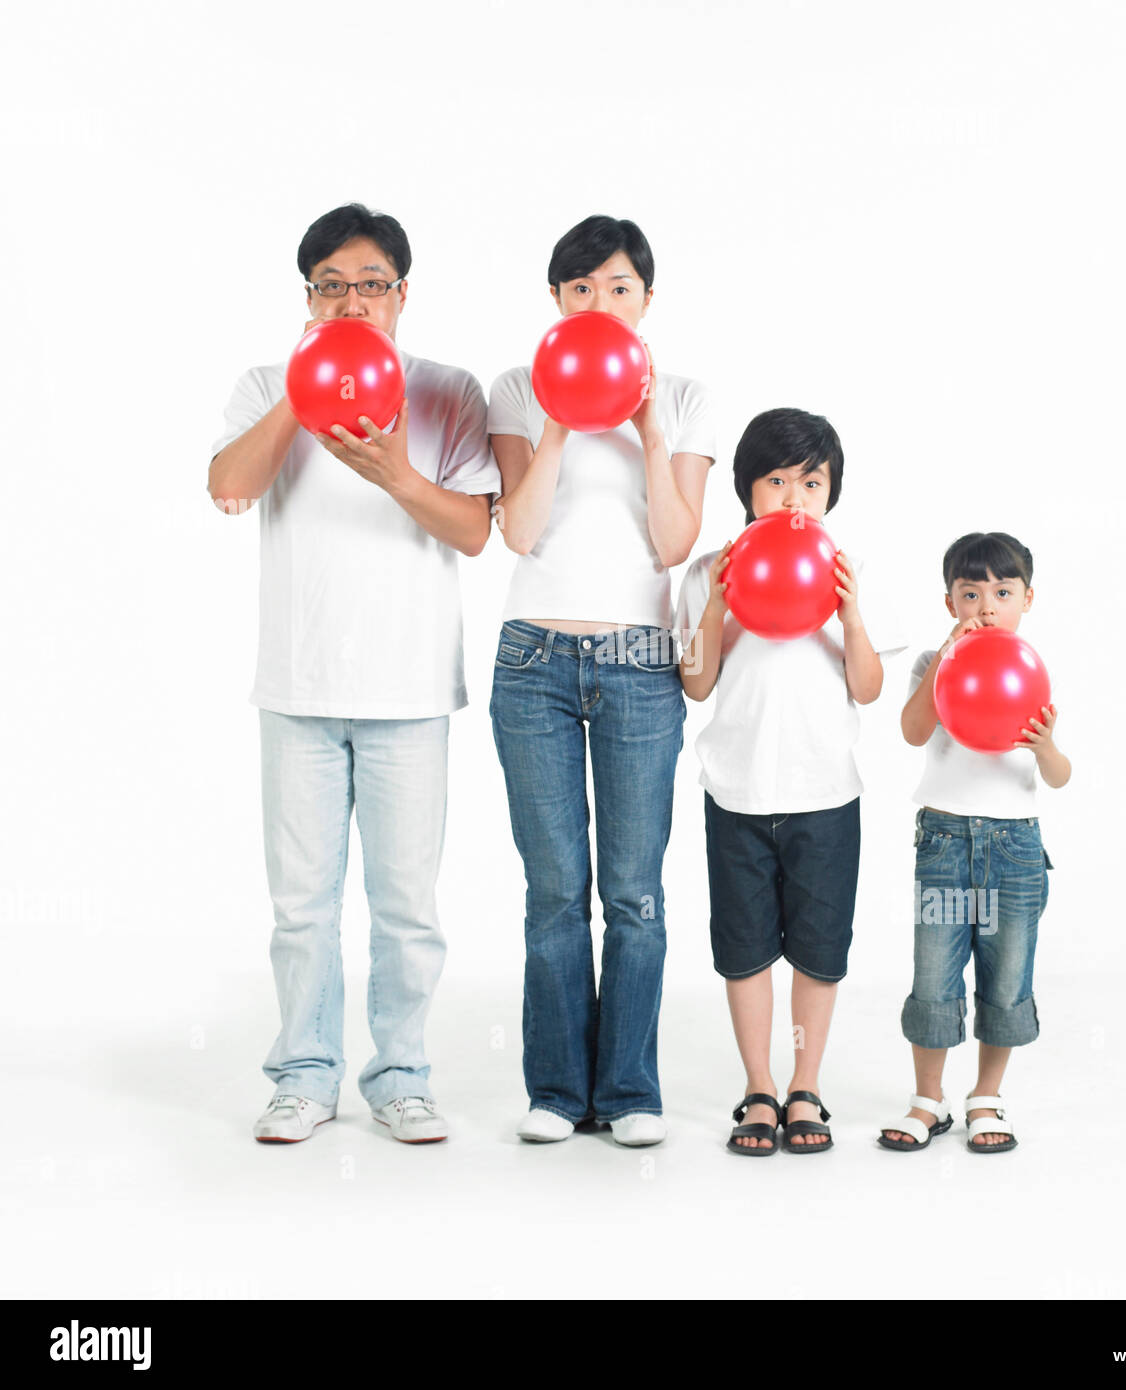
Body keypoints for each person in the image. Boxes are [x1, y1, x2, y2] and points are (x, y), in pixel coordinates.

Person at [207, 203, 500, 1144]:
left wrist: (398, 475)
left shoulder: (446, 391)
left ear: (402, 293)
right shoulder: (265, 382)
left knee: (408, 911)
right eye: (330, 285)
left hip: (410, 693)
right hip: (296, 690)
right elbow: (227, 488)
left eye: (370, 283)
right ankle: (303, 1074)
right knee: (301, 910)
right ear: (308, 297)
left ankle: (401, 1074)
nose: (351, 300)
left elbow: (475, 531)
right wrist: (302, 390)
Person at [487, 214, 715, 1146]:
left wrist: (649, 431)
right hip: (534, 660)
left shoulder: (689, 397)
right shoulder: (515, 388)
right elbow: (520, 531)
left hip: (637, 666)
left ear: (646, 301)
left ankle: (627, 1091)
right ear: (556, 300)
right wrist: (554, 428)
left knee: (632, 891)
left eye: (618, 288)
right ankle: (554, 1091)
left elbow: (672, 543)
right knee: (553, 890)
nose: (599, 303)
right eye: (581, 288)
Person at [674, 408, 907, 1155]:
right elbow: (698, 684)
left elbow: (868, 689)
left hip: (825, 793)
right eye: (777, 482)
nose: (794, 498)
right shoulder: (710, 569)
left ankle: (805, 1084)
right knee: (743, 951)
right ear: (747, 489)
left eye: (811, 481)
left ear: (831, 489)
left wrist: (849, 614)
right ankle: (758, 1088)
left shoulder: (849, 569)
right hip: (736, 791)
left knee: (816, 949)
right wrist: (719, 600)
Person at [879, 531, 1069, 1154]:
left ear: (1027, 599)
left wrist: (1044, 747)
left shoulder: (1029, 671)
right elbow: (911, 733)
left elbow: (1060, 774)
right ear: (949, 602)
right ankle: (927, 1100)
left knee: (1006, 972)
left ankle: (986, 1096)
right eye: (970, 593)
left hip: (1014, 847)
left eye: (1002, 592)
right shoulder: (934, 663)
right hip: (945, 840)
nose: (986, 606)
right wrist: (941, 664)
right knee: (935, 973)